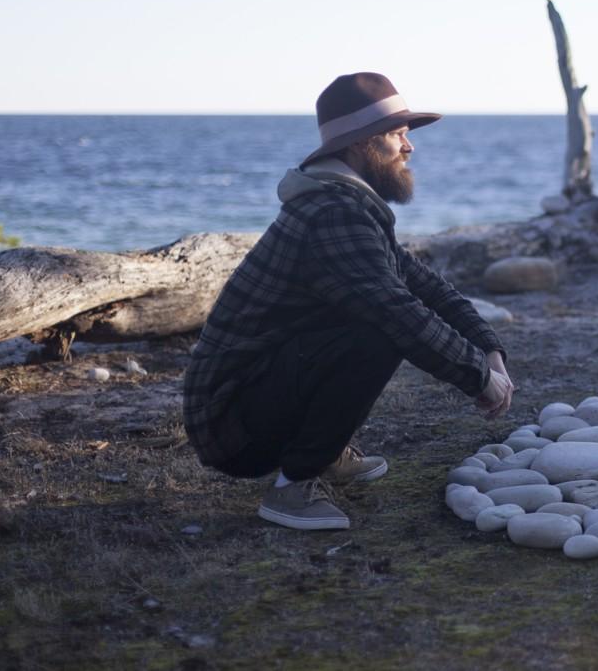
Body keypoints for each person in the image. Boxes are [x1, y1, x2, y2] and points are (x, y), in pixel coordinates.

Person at [183, 72, 514, 531]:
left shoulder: (347, 206)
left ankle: (323, 452)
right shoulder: (333, 214)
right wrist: (478, 378)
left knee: (379, 317)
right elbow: (398, 311)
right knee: (378, 328)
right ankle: (292, 487)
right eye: (398, 134)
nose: (409, 146)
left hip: (249, 402)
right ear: (362, 144)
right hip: (231, 425)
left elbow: (425, 286)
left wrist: (489, 348)